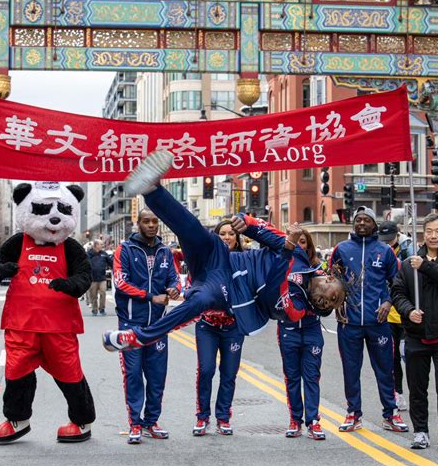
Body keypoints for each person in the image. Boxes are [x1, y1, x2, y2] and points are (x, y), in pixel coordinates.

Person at [103, 151, 347, 353]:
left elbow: (273, 288)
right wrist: (246, 223)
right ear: (330, 278)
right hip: (222, 258)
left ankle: (139, 337)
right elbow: (270, 235)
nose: (328, 301)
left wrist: (287, 249)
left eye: (330, 305)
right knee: (192, 229)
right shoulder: (301, 256)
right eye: (334, 296)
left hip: (229, 289)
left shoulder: (296, 309)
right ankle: (151, 190)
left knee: (199, 301)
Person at [330, 206, 408, 433]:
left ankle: (390, 414)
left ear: (374, 225)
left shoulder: (385, 251)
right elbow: (330, 281)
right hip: (349, 323)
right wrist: (337, 304)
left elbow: (397, 283)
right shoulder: (341, 249)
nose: (362, 223)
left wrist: (388, 302)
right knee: (351, 370)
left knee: (385, 370)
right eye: (358, 220)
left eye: (366, 220)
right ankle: (353, 413)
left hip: (379, 323)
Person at [114, 208, 180, 444]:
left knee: (157, 375)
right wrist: (150, 296)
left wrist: (174, 289)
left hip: (158, 326)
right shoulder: (125, 249)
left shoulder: (165, 251)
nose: (151, 225)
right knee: (132, 374)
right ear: (138, 223)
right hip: (131, 325)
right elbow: (121, 283)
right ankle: (135, 423)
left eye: (155, 221)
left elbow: (174, 278)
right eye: (146, 221)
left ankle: (151, 422)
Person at [391, 213, 438, 453]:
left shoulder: (422, 264)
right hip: (415, 336)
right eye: (429, 231)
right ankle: (421, 431)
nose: (433, 236)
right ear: (423, 234)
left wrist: (426, 266)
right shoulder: (408, 264)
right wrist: (408, 311)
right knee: (417, 388)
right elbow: (397, 293)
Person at [193, 219, 245, 437]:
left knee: (229, 374)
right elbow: (194, 285)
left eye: (231, 234)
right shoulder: (206, 260)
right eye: (222, 234)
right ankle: (202, 417)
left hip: (234, 327)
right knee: (206, 370)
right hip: (208, 325)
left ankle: (223, 418)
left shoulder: (245, 260)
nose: (227, 237)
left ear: (237, 238)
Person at [278, 229, 326, 441]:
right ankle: (295, 419)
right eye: (295, 241)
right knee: (292, 378)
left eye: (303, 242)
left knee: (312, 376)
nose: (299, 245)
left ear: (309, 245)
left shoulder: (317, 268)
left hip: (312, 329)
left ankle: (313, 421)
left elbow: (328, 302)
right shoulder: (280, 264)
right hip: (288, 330)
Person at [378, 220, 414, 411]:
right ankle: (397, 394)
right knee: (391, 357)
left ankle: (414, 392)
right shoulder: (378, 249)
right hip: (388, 312)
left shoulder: (408, 248)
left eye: (390, 240)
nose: (387, 243)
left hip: (405, 311)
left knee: (407, 354)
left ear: (398, 234)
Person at [87, 240, 113, 316]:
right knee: (93, 295)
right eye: (101, 244)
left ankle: (102, 308)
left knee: (103, 292)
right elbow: (84, 264)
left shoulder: (104, 254)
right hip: (92, 279)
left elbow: (111, 263)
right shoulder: (89, 254)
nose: (103, 245)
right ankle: (94, 309)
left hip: (102, 278)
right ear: (96, 245)